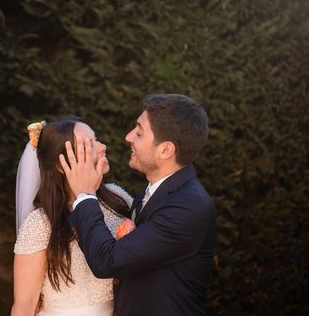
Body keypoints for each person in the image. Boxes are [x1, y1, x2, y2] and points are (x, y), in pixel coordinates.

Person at [60, 93, 216, 316]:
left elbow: (108, 261)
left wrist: (84, 194)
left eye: (139, 132)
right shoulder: (151, 192)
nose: (128, 137)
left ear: (165, 150)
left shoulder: (188, 207)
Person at [11, 116, 133, 316]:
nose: (102, 147)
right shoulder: (40, 224)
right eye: (89, 145)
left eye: (97, 139)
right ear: (61, 166)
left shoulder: (118, 199)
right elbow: (24, 305)